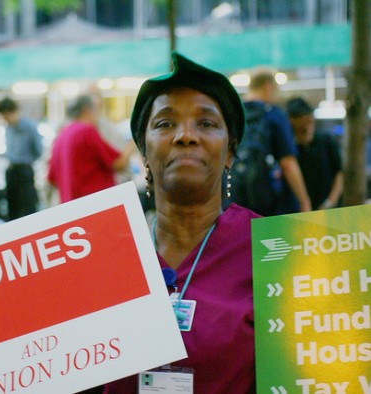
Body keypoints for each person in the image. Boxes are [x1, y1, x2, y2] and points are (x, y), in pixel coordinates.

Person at [104, 52, 258, 393]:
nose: (185, 136)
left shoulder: (273, 252)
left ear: (230, 151)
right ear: (143, 152)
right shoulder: (100, 255)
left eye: (206, 123)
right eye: (164, 124)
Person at [237, 68, 311, 215]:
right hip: (269, 204)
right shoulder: (273, 114)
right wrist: (304, 201)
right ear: (268, 86)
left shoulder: (234, 113)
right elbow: (288, 163)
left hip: (236, 202)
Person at [47, 94, 137, 203]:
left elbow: (51, 178)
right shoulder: (86, 131)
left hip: (71, 208)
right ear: (86, 110)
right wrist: (133, 142)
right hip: (96, 205)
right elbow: (119, 164)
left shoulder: (60, 136)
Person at [287, 97, 343, 210]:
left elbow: (339, 173)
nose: (308, 126)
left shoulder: (326, 141)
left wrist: (330, 202)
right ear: (292, 122)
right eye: (302, 126)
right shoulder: (289, 148)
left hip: (327, 208)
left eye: (310, 120)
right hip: (299, 211)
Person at [0, 97, 42, 220]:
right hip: (11, 171)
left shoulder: (29, 127)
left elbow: (38, 151)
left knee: (28, 208)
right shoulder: (8, 128)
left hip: (24, 171)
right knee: (13, 209)